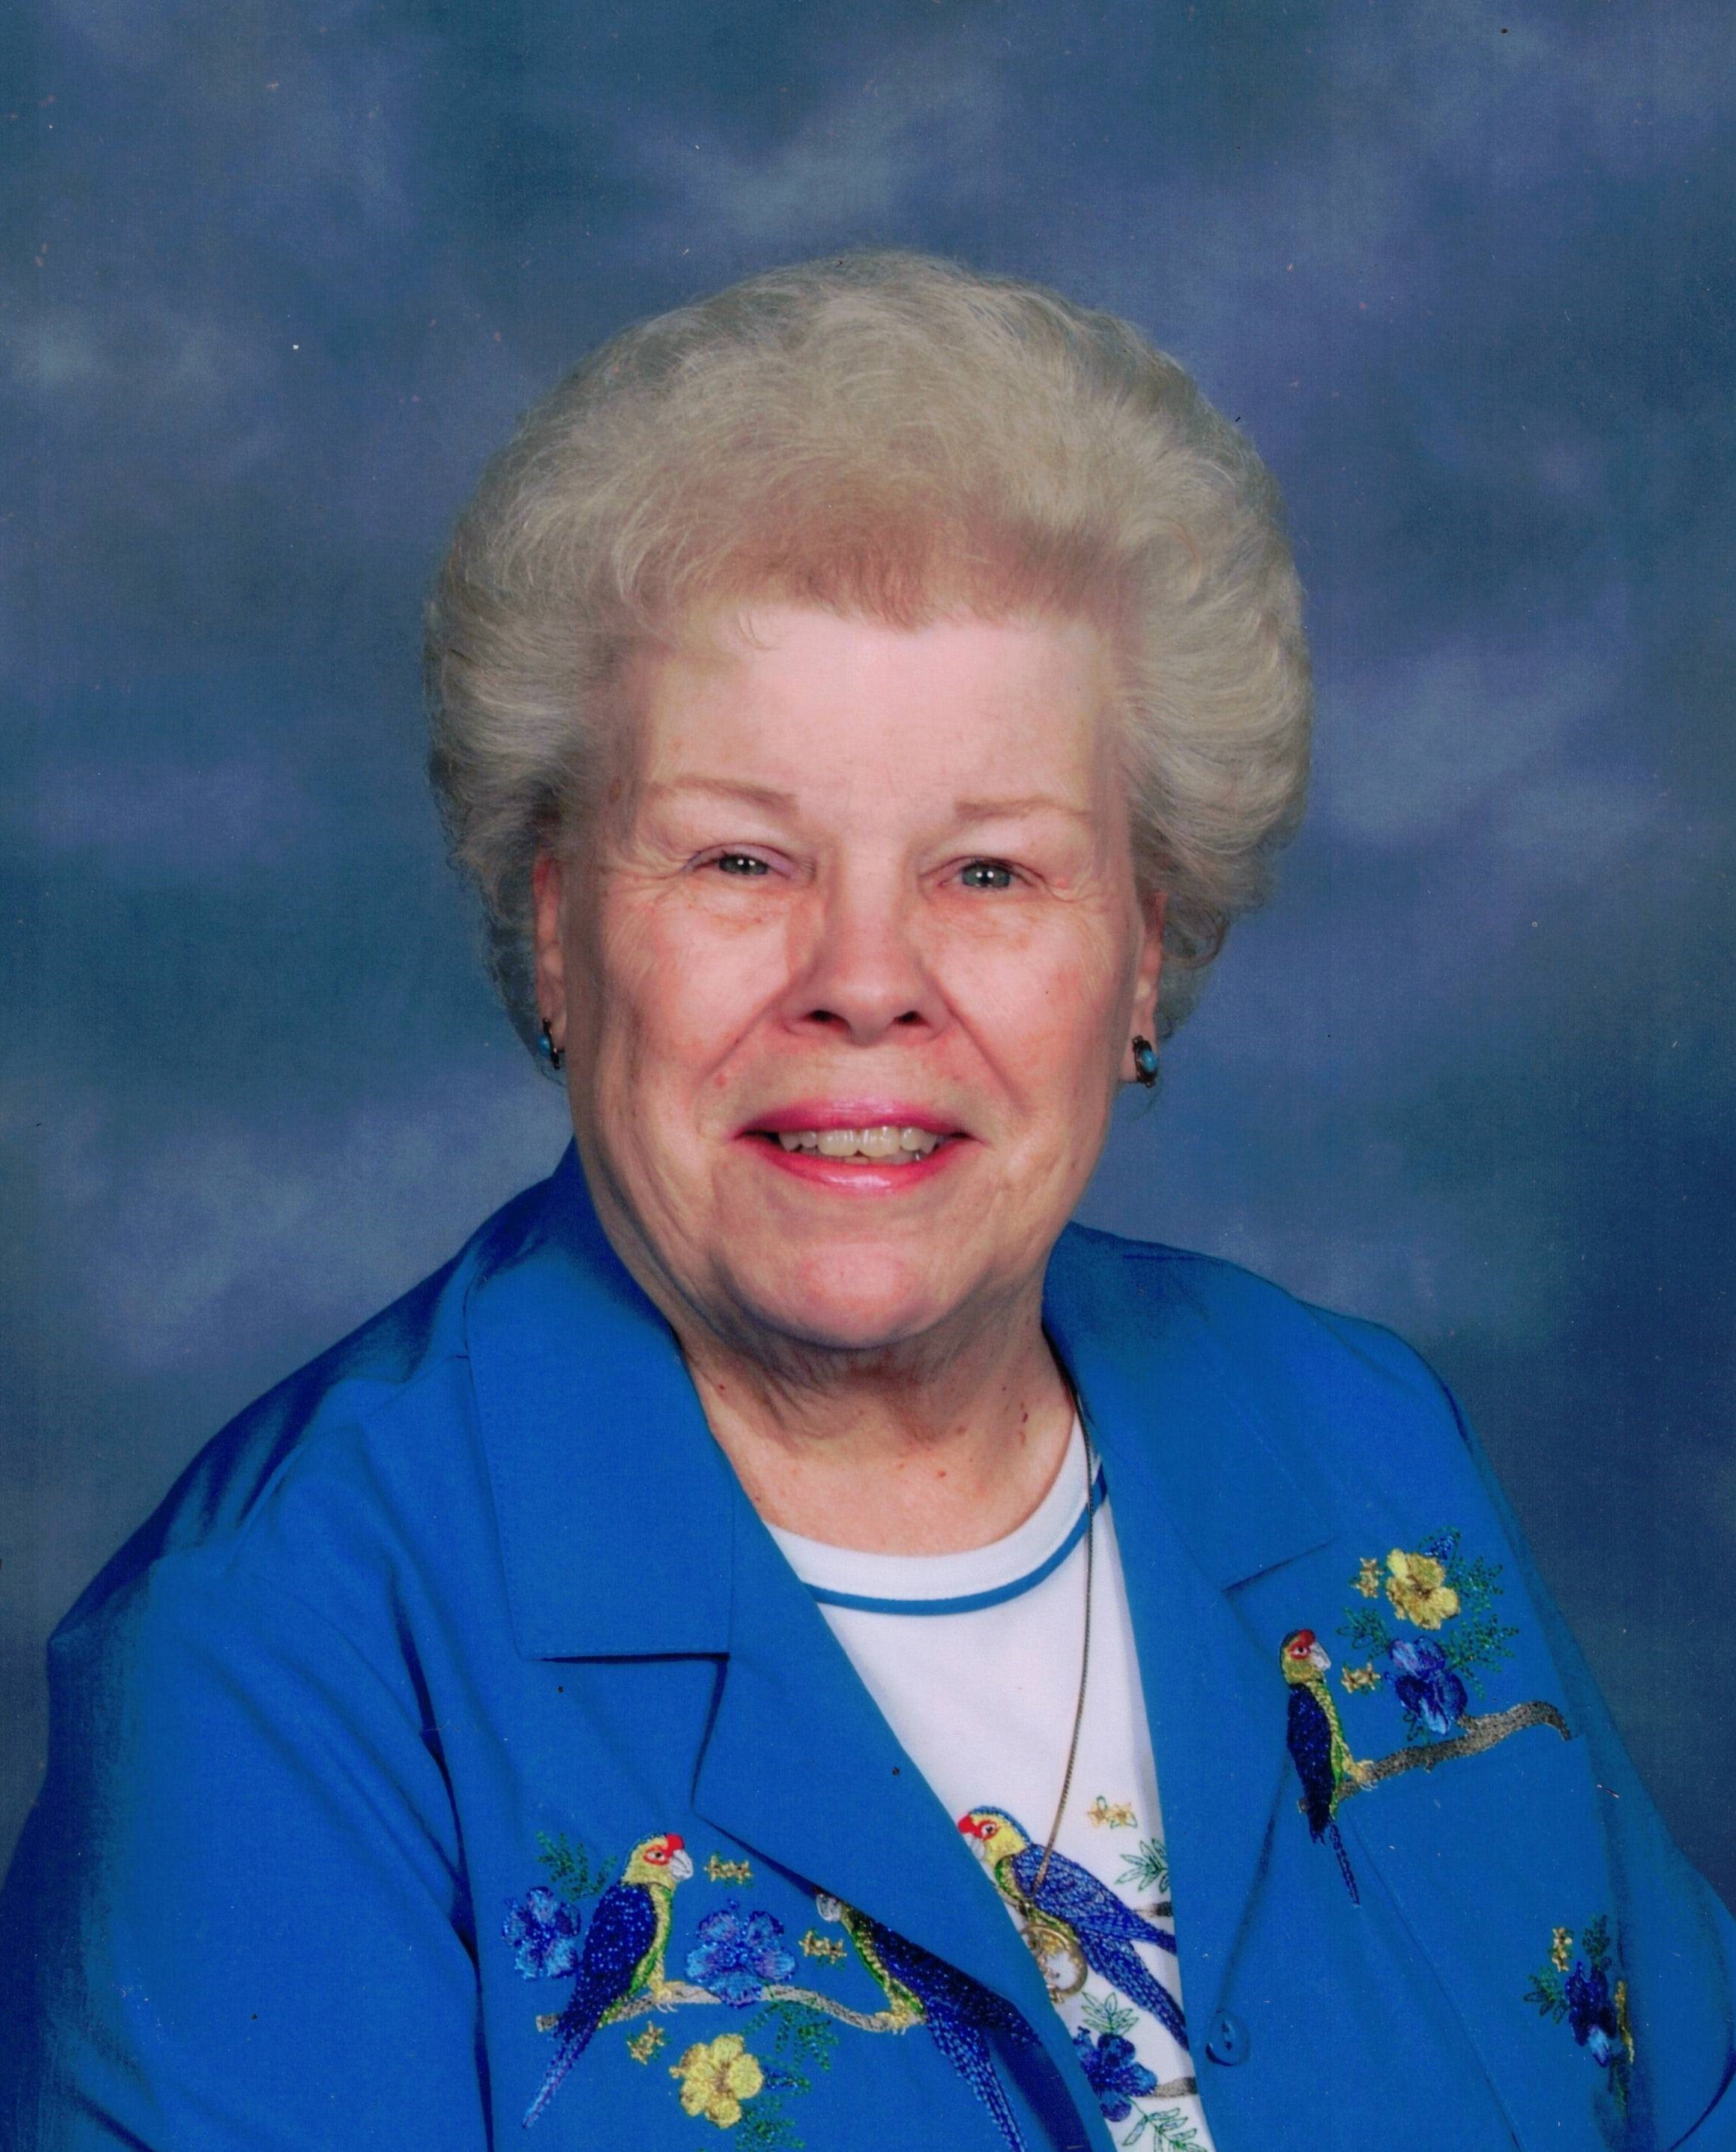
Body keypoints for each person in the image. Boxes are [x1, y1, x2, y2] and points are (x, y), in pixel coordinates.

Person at [1, 252, 1731, 2152]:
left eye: (990, 871)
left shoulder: (1361, 1437)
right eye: (742, 858)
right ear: (559, 924)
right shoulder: (278, 1654)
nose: (867, 980)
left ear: (1143, 950)